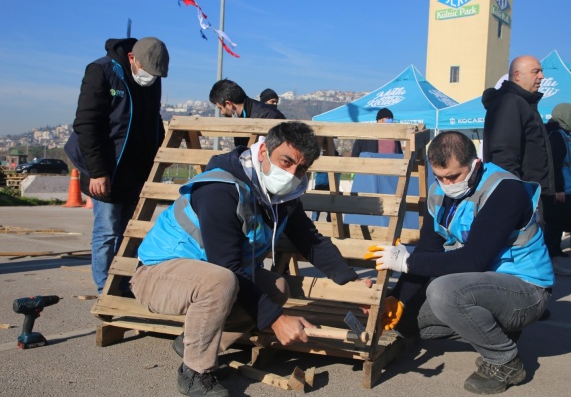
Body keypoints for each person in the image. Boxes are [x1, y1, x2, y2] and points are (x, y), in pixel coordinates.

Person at [131, 122, 366, 396]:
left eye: (300, 169)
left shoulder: (280, 196)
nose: (291, 174)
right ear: (264, 150)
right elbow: (225, 266)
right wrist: (277, 320)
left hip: (213, 277)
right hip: (158, 275)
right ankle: (195, 373)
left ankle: (190, 344)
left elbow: (310, 240)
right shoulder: (220, 189)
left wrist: (354, 285)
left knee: (276, 287)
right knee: (221, 281)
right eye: (286, 162)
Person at [364, 131, 553, 395]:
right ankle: (497, 332)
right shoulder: (438, 193)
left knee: (444, 291)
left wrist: (406, 263)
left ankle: (505, 360)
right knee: (405, 323)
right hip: (478, 286)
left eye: (453, 176)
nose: (446, 184)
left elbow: (473, 259)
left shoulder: (505, 189)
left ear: (475, 165)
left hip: (525, 290)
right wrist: (398, 298)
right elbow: (429, 249)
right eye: (439, 177)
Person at [64, 37, 169, 294]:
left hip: (135, 168)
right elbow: (87, 125)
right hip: (106, 166)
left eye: (156, 75)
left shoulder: (152, 81)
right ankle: (105, 289)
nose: (150, 78)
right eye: (147, 72)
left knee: (128, 231)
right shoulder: (102, 72)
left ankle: (123, 283)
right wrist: (98, 172)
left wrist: (157, 160)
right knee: (108, 231)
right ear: (132, 58)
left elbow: (153, 121)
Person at [482, 56, 559, 273]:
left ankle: (528, 298)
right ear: (517, 75)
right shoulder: (510, 103)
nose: (541, 76)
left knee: (525, 255)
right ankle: (524, 299)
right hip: (521, 194)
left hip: (528, 193)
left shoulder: (523, 103)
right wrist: (513, 195)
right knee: (520, 255)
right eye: (536, 71)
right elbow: (503, 153)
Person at [544, 103, 571, 275]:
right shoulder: (557, 136)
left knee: (557, 225)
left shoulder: (561, 134)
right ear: (566, 115)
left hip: (565, 190)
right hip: (558, 191)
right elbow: (554, 164)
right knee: (553, 227)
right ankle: (549, 264)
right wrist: (558, 189)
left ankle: (552, 260)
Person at [209, 79, 285, 147]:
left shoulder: (268, 115)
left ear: (229, 104)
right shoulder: (241, 116)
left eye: (220, 108)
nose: (222, 113)